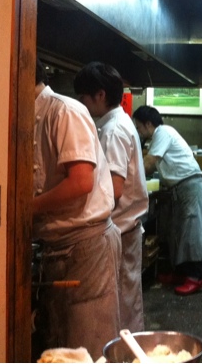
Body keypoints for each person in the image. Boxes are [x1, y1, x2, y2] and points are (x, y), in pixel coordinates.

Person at [32, 59, 121, 360]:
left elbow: (81, 181)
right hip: (61, 246)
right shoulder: (33, 115)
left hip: (86, 247)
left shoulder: (64, 111)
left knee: (88, 346)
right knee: (63, 347)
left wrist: (26, 209)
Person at [73, 61, 149, 332]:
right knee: (127, 300)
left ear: (100, 95)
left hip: (121, 230)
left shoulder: (114, 130)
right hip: (127, 229)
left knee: (122, 305)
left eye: (83, 97)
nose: (81, 103)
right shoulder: (119, 122)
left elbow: (114, 190)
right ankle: (129, 350)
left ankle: (126, 352)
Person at [132, 105, 202, 296]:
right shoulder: (158, 137)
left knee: (191, 231)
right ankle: (181, 273)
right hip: (179, 188)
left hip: (189, 185)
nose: (139, 131)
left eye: (139, 127)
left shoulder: (163, 132)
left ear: (148, 124)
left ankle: (197, 277)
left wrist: (128, 176)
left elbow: (149, 164)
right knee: (179, 232)